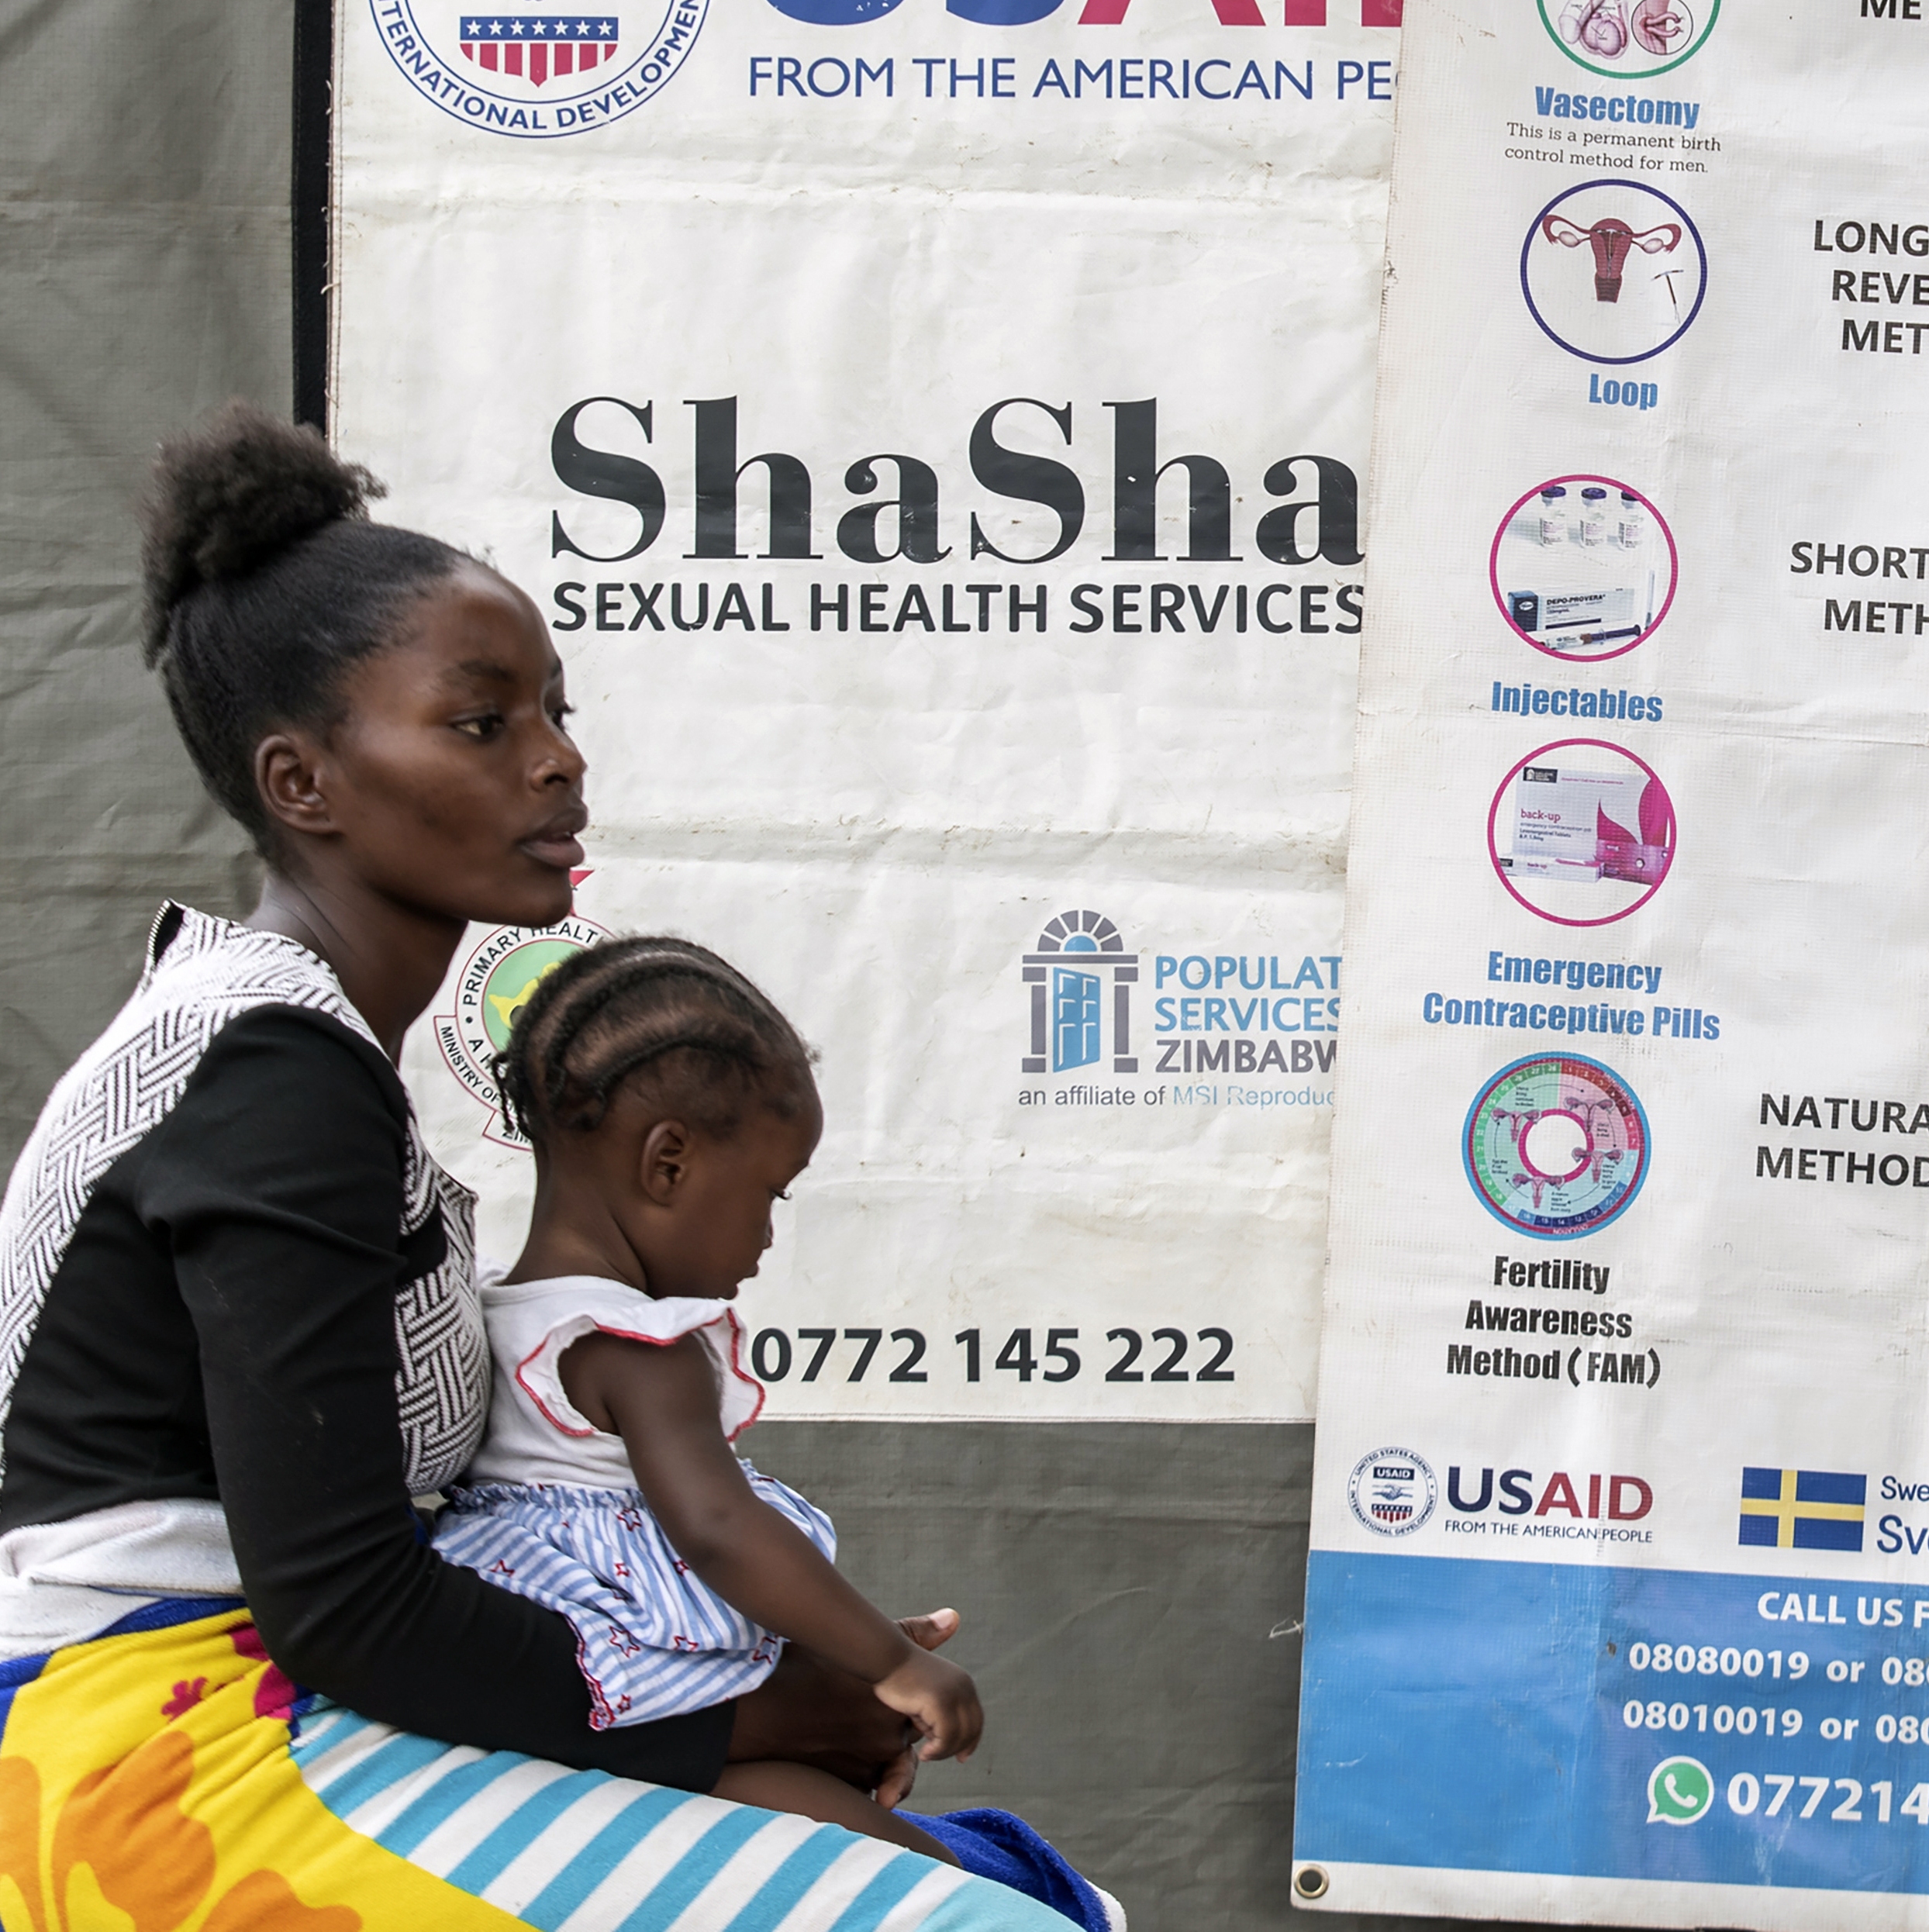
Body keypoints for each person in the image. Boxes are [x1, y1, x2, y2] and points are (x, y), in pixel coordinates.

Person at [0, 405, 1096, 1927]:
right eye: (482, 721)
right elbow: (350, 1607)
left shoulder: (279, 1043)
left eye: (556, 711)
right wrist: (752, 1715)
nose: (559, 760)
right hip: (164, 1756)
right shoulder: (273, 1080)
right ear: (303, 782)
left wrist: (755, 1658)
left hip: (244, 1708)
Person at [431, 933, 1116, 1921]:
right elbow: (717, 1527)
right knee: (942, 1891)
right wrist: (893, 1660)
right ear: (668, 1161)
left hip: (577, 1686)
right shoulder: (638, 1342)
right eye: (769, 1193)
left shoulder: (508, 1308)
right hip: (657, 1693)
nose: (764, 1233)